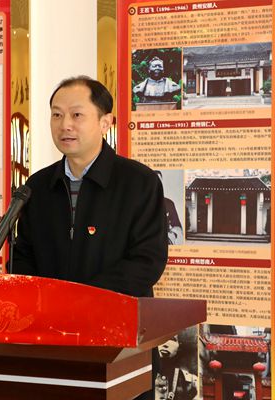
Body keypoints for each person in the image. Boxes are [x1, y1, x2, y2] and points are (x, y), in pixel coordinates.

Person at [13, 76, 168, 398]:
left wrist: (81, 300)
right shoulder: (38, 187)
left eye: (76, 114)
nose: (65, 125)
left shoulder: (138, 182)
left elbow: (147, 261)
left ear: (105, 122)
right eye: (57, 115)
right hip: (52, 339)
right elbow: (23, 256)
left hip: (119, 339)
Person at [155, 170, 184, 245]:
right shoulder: (141, 202)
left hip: (165, 240)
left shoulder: (169, 203)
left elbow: (177, 225)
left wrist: (172, 235)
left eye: (160, 182)